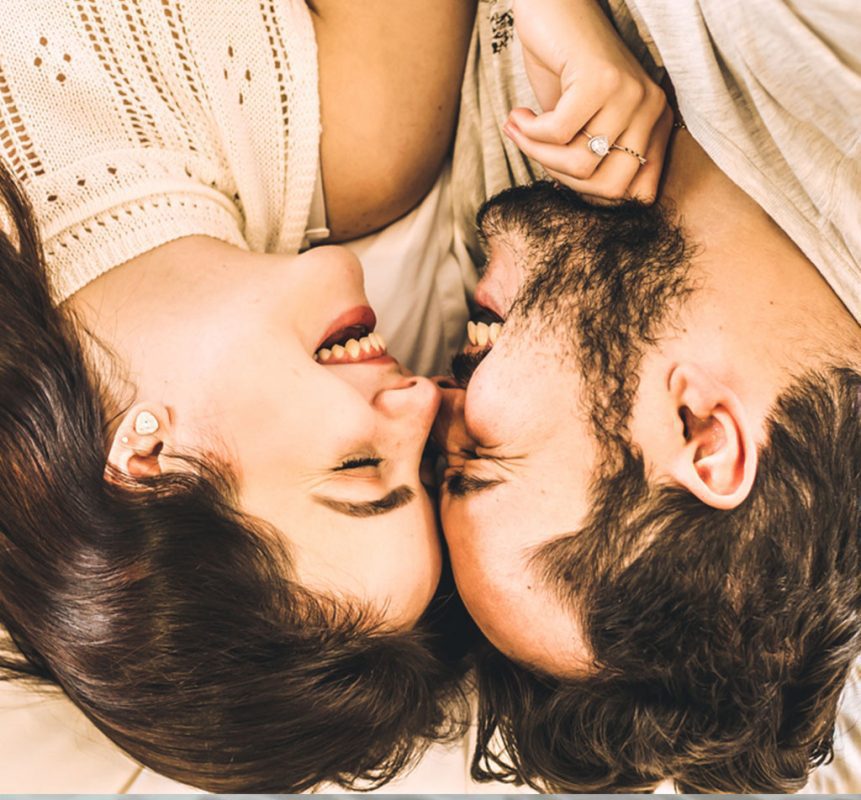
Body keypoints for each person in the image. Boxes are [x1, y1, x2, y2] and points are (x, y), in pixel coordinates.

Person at [437, 0, 861, 793]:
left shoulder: (527, 240)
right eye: (477, 460)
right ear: (701, 431)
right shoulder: (831, 69)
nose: (429, 400)